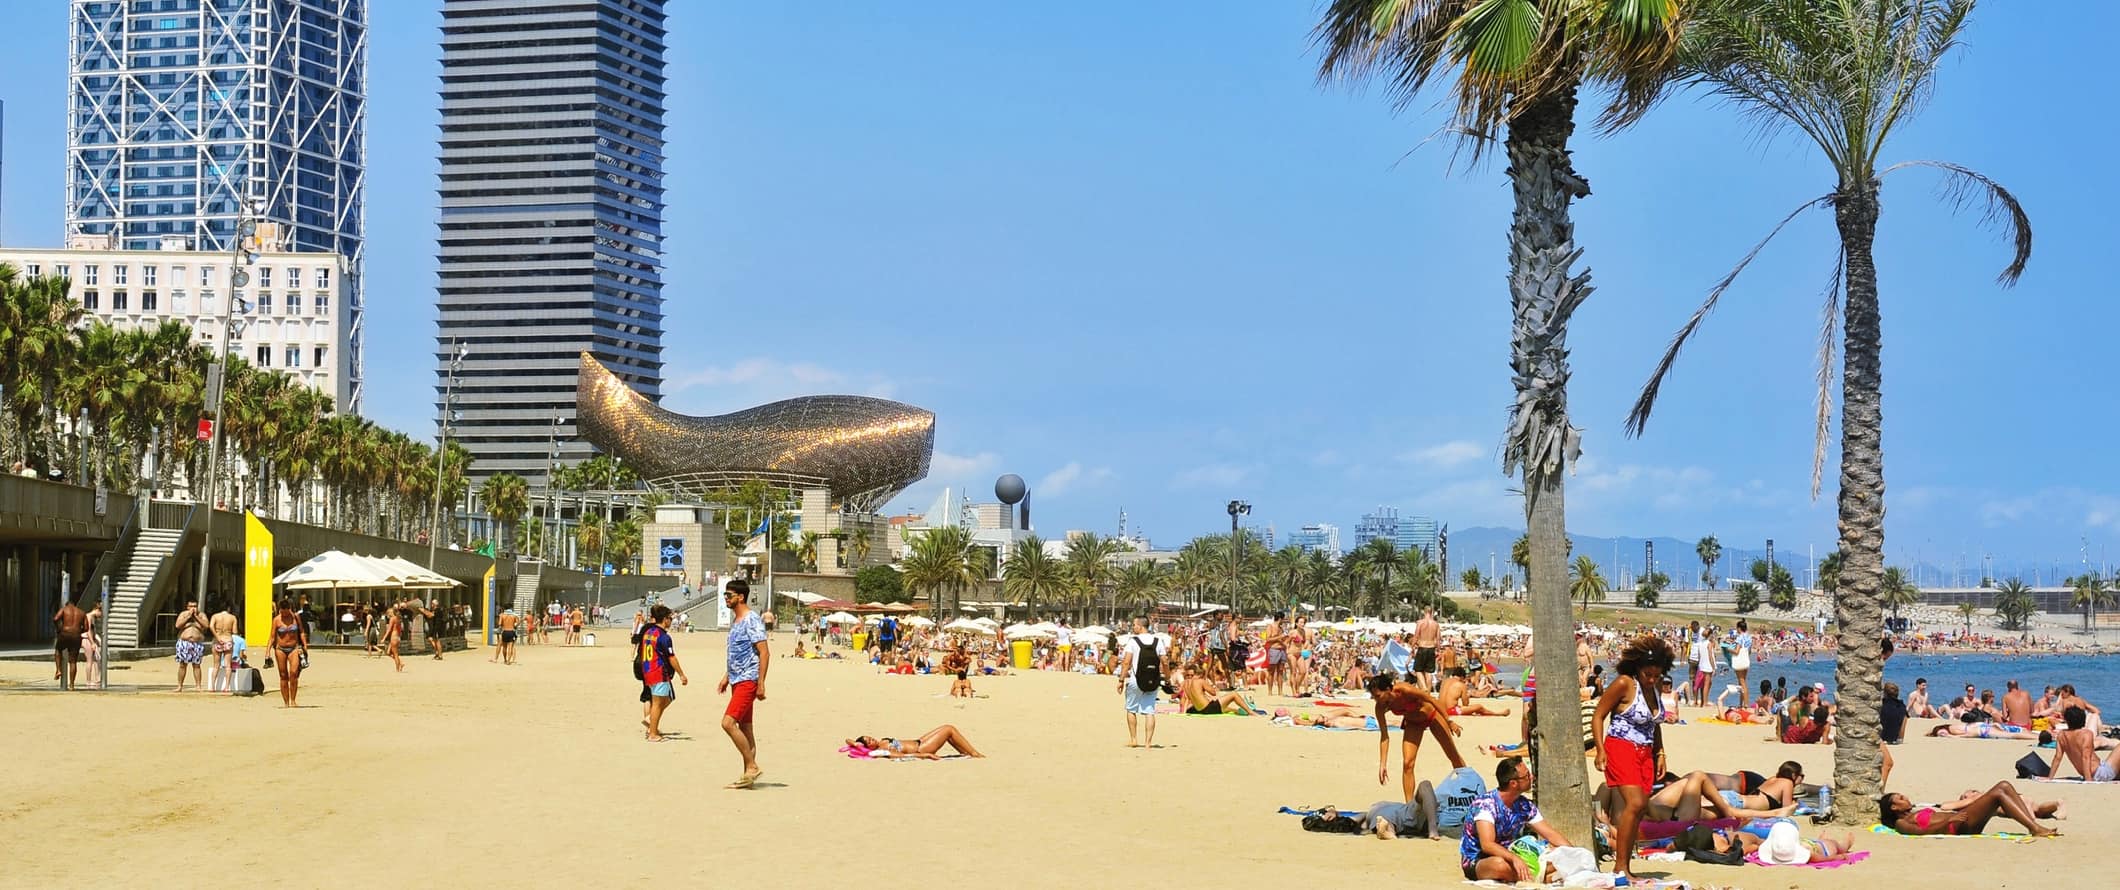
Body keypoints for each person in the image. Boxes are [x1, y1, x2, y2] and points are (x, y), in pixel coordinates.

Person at [1592, 633, 1674, 881]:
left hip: (1645, 753)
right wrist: (1600, 749)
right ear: (1638, 668)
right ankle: (1619, 867)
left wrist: (1660, 753)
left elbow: (1654, 724)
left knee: (1638, 811)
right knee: (1636, 804)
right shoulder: (1624, 684)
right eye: (1648, 674)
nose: (1652, 679)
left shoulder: (1656, 687)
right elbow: (1598, 715)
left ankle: (1626, 866)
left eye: (1656, 675)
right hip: (1620, 747)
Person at [1459, 757, 1573, 882]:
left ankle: (1539, 875)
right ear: (1513, 783)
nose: (1532, 778)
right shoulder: (1486, 805)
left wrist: (1572, 853)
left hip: (1514, 854)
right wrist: (1514, 859)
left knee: (1560, 854)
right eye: (1527, 776)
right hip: (1479, 860)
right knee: (1499, 865)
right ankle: (1544, 877)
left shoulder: (1524, 805)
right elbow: (1487, 845)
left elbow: (1550, 834)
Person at [1367, 672, 1469, 802]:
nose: (1376, 699)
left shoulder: (1404, 690)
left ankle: (1468, 785)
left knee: (1453, 755)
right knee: (1407, 763)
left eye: (1377, 696)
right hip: (1413, 723)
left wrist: (1449, 721)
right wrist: (1383, 764)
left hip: (1432, 716)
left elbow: (1431, 699)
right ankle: (1409, 805)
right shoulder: (1380, 707)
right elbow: (1384, 736)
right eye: (1374, 697)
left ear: (1388, 689)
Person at [718, 579, 768, 788]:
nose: (726, 599)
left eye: (728, 596)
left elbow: (764, 652)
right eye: (725, 596)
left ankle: (752, 765)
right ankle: (748, 776)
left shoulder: (751, 620)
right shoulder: (737, 622)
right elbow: (738, 654)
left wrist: (761, 682)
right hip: (736, 680)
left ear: (740, 597)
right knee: (745, 727)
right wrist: (726, 677)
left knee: (727, 723)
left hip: (748, 679)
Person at [1879, 783, 2058, 837]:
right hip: (1957, 826)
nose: (1906, 798)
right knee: (2000, 790)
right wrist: (1947, 822)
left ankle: (2033, 826)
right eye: (1901, 798)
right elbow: (1918, 832)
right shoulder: (1901, 823)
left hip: (1961, 821)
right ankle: (2034, 829)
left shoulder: (1914, 812)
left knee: (2005, 788)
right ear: (1894, 807)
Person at [637, 605, 686, 741]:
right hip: (658, 671)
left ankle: (651, 721)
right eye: (670, 618)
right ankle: (653, 733)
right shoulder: (664, 636)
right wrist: (681, 674)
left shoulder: (649, 632)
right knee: (658, 703)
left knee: (667, 698)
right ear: (665, 620)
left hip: (647, 670)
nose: (670, 621)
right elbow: (671, 657)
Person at [1119, 617, 1166, 747]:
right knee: (1149, 710)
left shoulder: (1133, 641)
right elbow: (1165, 661)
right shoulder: (1158, 641)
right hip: (1153, 680)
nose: (1133, 627)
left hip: (1136, 679)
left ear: (1140, 626)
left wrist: (1121, 679)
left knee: (1131, 709)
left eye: (1134, 625)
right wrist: (1167, 677)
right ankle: (1148, 742)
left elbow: (1126, 662)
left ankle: (1134, 739)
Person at [1355, 784, 1440, 840]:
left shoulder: (1375, 811)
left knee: (1388, 822)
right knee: (1425, 785)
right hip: (1410, 814)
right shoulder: (1380, 809)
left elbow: (1360, 818)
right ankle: (1433, 830)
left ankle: (1389, 831)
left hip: (1390, 814)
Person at [846, 725, 986, 759]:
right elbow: (900, 756)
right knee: (949, 729)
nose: (872, 739)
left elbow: (847, 740)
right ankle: (974, 753)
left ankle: (965, 753)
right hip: (921, 749)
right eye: (869, 741)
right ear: (868, 747)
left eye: (870, 737)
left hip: (919, 741)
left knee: (947, 730)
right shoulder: (880, 751)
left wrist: (855, 743)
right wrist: (924, 755)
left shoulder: (881, 742)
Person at [270, 600, 308, 707]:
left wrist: (305, 645)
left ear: (289, 609)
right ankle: (286, 702)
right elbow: (272, 636)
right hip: (280, 648)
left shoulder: (296, 618)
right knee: (283, 675)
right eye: (282, 612)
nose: (284, 614)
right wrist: (267, 652)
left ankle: (293, 700)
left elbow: (301, 631)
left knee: (293, 673)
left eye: (285, 612)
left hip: (294, 648)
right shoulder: (276, 620)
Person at [1179, 665, 1253, 715]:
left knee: (1224, 707)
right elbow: (1213, 693)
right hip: (1208, 709)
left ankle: (1238, 711)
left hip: (1198, 710)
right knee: (1234, 694)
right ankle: (1251, 713)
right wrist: (1211, 686)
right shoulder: (1201, 681)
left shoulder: (1186, 684)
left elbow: (1186, 699)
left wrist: (1183, 712)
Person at [173, 599, 210, 691]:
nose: (193, 608)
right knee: (182, 665)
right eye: (191, 606)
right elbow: (177, 625)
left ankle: (198, 686)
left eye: (195, 606)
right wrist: (188, 617)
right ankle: (180, 686)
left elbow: (206, 626)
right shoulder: (183, 614)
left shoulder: (201, 615)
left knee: (196, 665)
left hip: (196, 643)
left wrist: (196, 617)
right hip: (184, 643)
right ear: (187, 607)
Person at [1436, 674, 1511, 717]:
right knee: (1479, 707)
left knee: (1473, 709)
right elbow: (1466, 704)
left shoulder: (1445, 681)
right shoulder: (1461, 685)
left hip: (1440, 709)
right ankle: (1497, 714)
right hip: (1451, 711)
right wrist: (1466, 696)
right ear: (1462, 677)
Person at [52, 599, 87, 690]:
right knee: (73, 661)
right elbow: (86, 627)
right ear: (74, 604)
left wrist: (59, 628)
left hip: (64, 634)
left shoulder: (64, 609)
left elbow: (55, 618)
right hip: (76, 636)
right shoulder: (81, 612)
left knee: (58, 650)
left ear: (67, 604)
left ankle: (58, 670)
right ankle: (71, 685)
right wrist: (78, 631)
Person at [1413, 607, 1442, 690]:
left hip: (1422, 647)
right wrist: (1438, 650)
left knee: (1418, 670)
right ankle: (1428, 693)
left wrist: (1412, 647)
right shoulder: (1436, 624)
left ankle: (1424, 687)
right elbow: (1438, 639)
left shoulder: (1420, 622)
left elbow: (1416, 636)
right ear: (1431, 612)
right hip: (1431, 648)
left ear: (1424, 612)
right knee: (1429, 672)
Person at [1730, 619, 1753, 693]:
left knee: (1742, 682)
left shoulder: (1740, 637)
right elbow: (1749, 651)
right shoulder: (1749, 637)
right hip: (1746, 660)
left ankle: (1745, 703)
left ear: (1739, 628)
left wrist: (1728, 649)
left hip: (1740, 661)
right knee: (1742, 681)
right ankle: (1741, 703)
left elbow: (1736, 651)